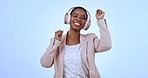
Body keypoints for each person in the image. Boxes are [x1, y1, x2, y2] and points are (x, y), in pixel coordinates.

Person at [40, 6, 112, 78]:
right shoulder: (57, 41)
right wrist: (56, 43)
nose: (78, 19)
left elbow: (107, 45)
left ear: (86, 23)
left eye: (83, 18)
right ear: (68, 18)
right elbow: (45, 64)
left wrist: (100, 20)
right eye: (75, 16)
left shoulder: (90, 39)